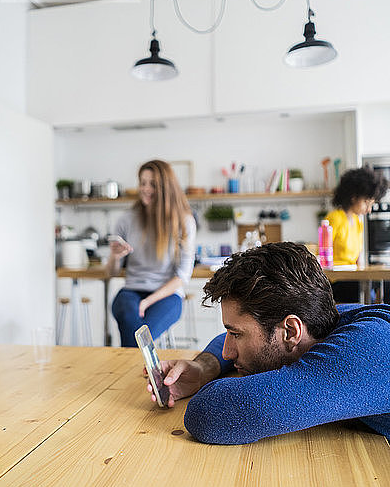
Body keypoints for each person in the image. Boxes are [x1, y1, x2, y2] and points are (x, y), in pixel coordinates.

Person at [147, 242, 390, 445]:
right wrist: (203, 369)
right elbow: (224, 342)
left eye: (237, 334)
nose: (227, 352)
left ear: (290, 331)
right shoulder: (327, 320)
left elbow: (208, 415)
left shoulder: (367, 349)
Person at [107, 159, 196, 347]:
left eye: (152, 184)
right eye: (143, 183)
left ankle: (127, 370)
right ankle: (146, 372)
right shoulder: (126, 220)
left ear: (166, 188)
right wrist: (115, 257)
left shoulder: (184, 222)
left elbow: (182, 277)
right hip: (131, 291)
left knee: (139, 334)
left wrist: (148, 301)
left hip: (167, 295)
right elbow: (112, 273)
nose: (145, 189)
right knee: (132, 322)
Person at [325, 166, 388, 303]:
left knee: (383, 285)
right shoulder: (334, 218)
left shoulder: (356, 221)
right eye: (366, 202)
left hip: (352, 277)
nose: (369, 209)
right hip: (335, 280)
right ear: (354, 197)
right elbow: (324, 252)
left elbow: (357, 257)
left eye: (371, 204)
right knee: (362, 288)